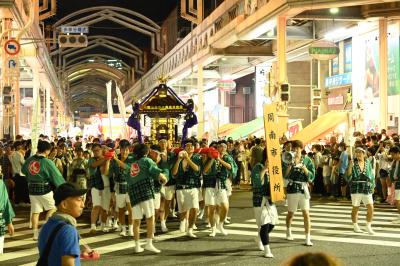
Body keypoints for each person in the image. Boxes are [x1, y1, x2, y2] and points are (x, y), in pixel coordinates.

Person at [37, 183, 92, 266]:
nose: (83, 205)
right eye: (79, 200)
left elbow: (54, 254)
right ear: (64, 205)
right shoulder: (69, 230)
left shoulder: (46, 226)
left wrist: (77, 254)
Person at [126, 144, 167, 253]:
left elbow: (128, 178)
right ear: (146, 152)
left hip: (133, 193)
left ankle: (137, 246)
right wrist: (164, 179)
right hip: (145, 192)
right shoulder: (147, 160)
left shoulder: (132, 164)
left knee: (136, 221)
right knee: (150, 217)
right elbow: (157, 172)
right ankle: (149, 243)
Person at [22, 140, 66, 240]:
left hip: (32, 190)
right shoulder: (47, 162)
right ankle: (45, 229)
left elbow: (23, 170)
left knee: (35, 211)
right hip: (44, 189)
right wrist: (63, 186)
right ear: (47, 150)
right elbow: (57, 176)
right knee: (52, 208)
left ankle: (35, 234)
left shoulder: (30, 160)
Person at [284, 140, 315, 246]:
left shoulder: (307, 160)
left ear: (301, 149)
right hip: (292, 188)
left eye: (297, 148)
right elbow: (285, 175)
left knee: (306, 213)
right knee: (291, 213)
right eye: (294, 148)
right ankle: (288, 230)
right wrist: (289, 166)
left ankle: (307, 237)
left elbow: (312, 176)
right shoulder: (289, 159)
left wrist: (305, 168)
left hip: (303, 188)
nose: (295, 150)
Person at [172, 140, 202, 238]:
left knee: (195, 208)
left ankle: (190, 229)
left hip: (192, 187)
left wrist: (187, 158)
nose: (189, 147)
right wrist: (179, 160)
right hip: (180, 187)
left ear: (194, 147)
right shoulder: (178, 157)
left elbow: (197, 169)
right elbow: (174, 173)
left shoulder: (197, 157)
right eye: (187, 146)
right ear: (184, 148)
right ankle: (182, 221)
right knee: (182, 210)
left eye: (191, 146)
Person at [345, 147, 375, 234]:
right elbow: (348, 176)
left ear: (364, 154)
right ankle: (355, 225)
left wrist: (373, 185)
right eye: (356, 152)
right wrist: (350, 167)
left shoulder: (368, 162)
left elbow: (371, 175)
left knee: (371, 208)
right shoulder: (353, 163)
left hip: (366, 187)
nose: (358, 154)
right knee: (356, 207)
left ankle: (368, 226)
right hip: (356, 187)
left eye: (360, 152)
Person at [109, 139, 135, 236]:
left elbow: (127, 168)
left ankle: (131, 229)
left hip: (130, 186)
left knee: (131, 208)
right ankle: (123, 228)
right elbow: (109, 173)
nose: (125, 152)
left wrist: (115, 159)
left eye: (127, 149)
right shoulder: (114, 159)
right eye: (123, 149)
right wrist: (108, 160)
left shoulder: (132, 158)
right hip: (119, 187)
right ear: (119, 149)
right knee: (120, 209)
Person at [0, 174, 15, 254]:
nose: (1, 171)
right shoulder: (1, 184)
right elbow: (6, 203)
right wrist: (9, 222)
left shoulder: (1, 183)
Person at [388, 146, 400, 223]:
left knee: (397, 201)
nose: (392, 156)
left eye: (393, 155)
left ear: (398, 153)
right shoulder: (395, 162)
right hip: (396, 183)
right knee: (397, 201)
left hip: (399, 182)